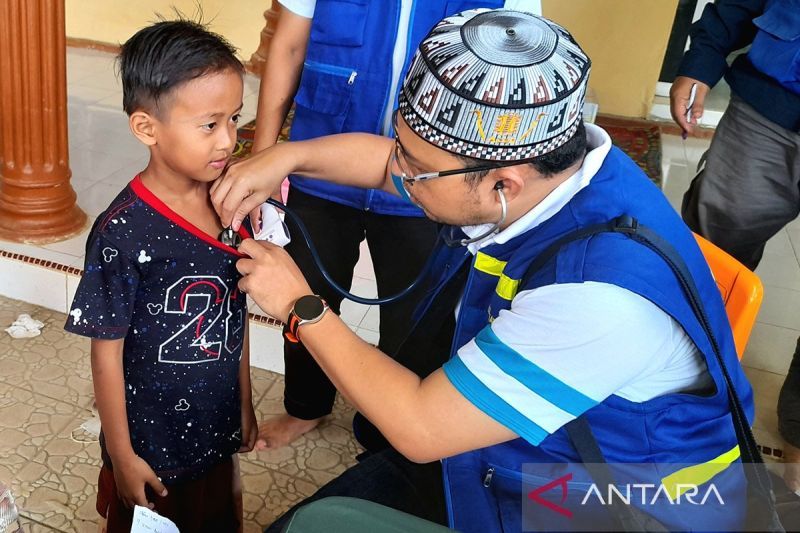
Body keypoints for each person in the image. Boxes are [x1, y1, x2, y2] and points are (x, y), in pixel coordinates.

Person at [215, 9, 754, 532]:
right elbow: (384, 163)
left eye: (416, 169)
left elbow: (421, 427)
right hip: (533, 442)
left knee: (311, 526)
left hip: (616, 501)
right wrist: (286, 157)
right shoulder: (564, 169)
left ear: (504, 184)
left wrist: (300, 305)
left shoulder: (596, 300)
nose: (396, 172)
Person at [251, 0, 525, 451]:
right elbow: (289, 46)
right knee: (302, 295)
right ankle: (306, 405)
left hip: (432, 189)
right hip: (320, 166)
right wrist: (265, 161)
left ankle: (391, 429)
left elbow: (514, 82)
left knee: (417, 322)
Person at [64, 19, 257, 532]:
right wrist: (123, 456)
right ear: (147, 127)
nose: (229, 141)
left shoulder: (230, 206)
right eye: (209, 125)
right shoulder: (121, 233)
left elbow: (231, 321)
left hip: (214, 427)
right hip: (152, 442)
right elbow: (105, 355)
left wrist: (244, 403)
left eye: (235, 119)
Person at [669, 0, 800, 490]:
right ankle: (677, 408)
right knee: (707, 263)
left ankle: (796, 459)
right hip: (767, 112)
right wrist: (700, 62)